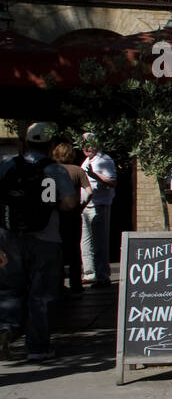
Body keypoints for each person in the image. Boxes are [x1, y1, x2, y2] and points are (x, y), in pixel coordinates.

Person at [0, 122, 77, 361]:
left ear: (24, 143)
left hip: (9, 237)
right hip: (46, 238)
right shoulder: (55, 170)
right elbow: (69, 204)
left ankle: (6, 329)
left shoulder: (6, 166)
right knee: (41, 292)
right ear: (51, 145)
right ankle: (38, 347)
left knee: (9, 288)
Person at [51, 142, 91, 295]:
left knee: (57, 250)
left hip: (55, 215)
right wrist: (82, 205)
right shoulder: (78, 171)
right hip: (73, 214)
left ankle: (58, 284)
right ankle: (76, 285)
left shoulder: (51, 170)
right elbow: (90, 192)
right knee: (74, 249)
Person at [79, 133, 117, 288]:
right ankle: (90, 273)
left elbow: (113, 182)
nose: (87, 147)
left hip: (99, 205)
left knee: (100, 242)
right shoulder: (87, 160)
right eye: (84, 144)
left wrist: (95, 175)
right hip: (85, 206)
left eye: (90, 144)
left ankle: (102, 275)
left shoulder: (104, 160)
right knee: (85, 241)